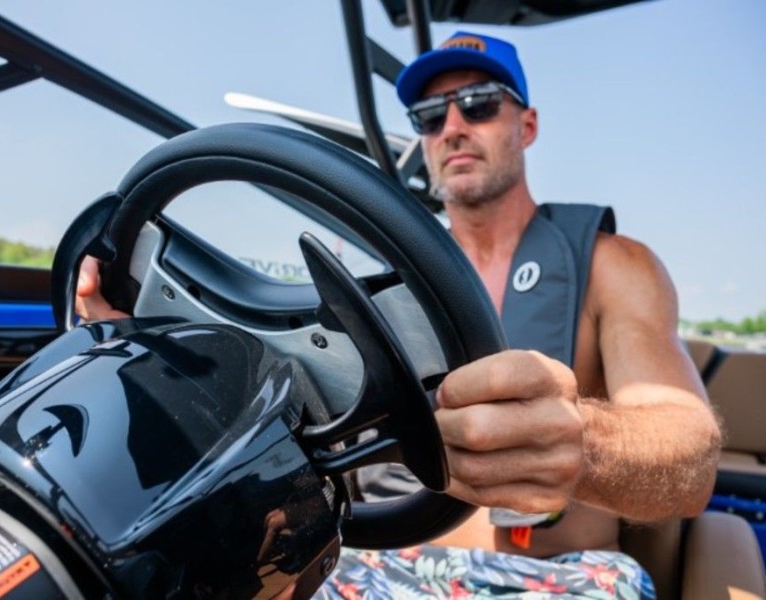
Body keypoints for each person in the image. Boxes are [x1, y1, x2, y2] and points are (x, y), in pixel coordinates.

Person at [76, 31, 721, 599]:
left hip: (552, 576)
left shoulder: (615, 264)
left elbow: (690, 457)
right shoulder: (373, 280)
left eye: (478, 104)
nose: (452, 127)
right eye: (430, 116)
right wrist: (141, 342)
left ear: (526, 125)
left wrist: (584, 444)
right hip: (367, 569)